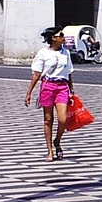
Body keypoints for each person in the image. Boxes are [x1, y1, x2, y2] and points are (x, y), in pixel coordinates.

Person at [25, 26, 77, 159]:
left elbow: (69, 73)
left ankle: (57, 141)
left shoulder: (66, 53)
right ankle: (50, 150)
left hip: (62, 86)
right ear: (53, 38)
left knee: (63, 119)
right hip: (48, 86)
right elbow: (36, 74)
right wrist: (29, 93)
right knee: (48, 119)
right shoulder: (43, 53)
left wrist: (71, 90)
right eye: (61, 35)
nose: (63, 37)